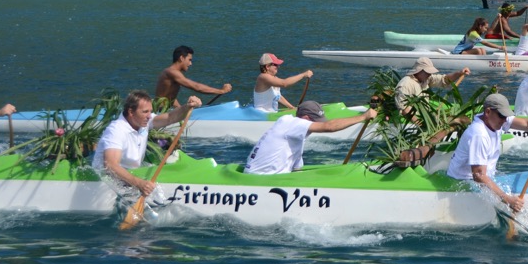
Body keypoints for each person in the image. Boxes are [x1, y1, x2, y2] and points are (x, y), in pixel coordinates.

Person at [444, 94, 528, 212]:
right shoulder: (479, 135)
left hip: (484, 178)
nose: (504, 120)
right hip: (464, 183)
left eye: (506, 117)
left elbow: (527, 124)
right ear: (488, 112)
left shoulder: (495, 118)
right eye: (502, 116)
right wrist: (507, 199)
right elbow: (479, 176)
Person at [91, 90, 201, 196]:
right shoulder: (116, 131)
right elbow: (110, 166)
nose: (149, 116)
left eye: (150, 111)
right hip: (107, 181)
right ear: (131, 112)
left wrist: (187, 107)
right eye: (145, 112)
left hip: (131, 175)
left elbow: (170, 118)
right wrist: (139, 184)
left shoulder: (143, 122)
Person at [244, 101, 378, 174]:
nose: (318, 123)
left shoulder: (293, 134)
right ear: (306, 118)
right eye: (315, 120)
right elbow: (329, 127)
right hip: (260, 178)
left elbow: (297, 171)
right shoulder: (292, 122)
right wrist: (362, 117)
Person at [155, 45, 232, 107]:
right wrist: (221, 91)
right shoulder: (171, 72)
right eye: (189, 60)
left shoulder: (172, 73)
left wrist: (180, 109)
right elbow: (196, 87)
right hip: (160, 113)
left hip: (162, 111)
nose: (190, 63)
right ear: (181, 58)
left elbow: (169, 97)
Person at [395, 56, 470, 116]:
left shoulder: (426, 78)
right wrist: (425, 124)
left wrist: (459, 73)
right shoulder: (405, 84)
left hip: (425, 114)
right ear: (419, 70)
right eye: (428, 72)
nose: (430, 74)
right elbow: (404, 110)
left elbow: (444, 80)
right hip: (413, 119)